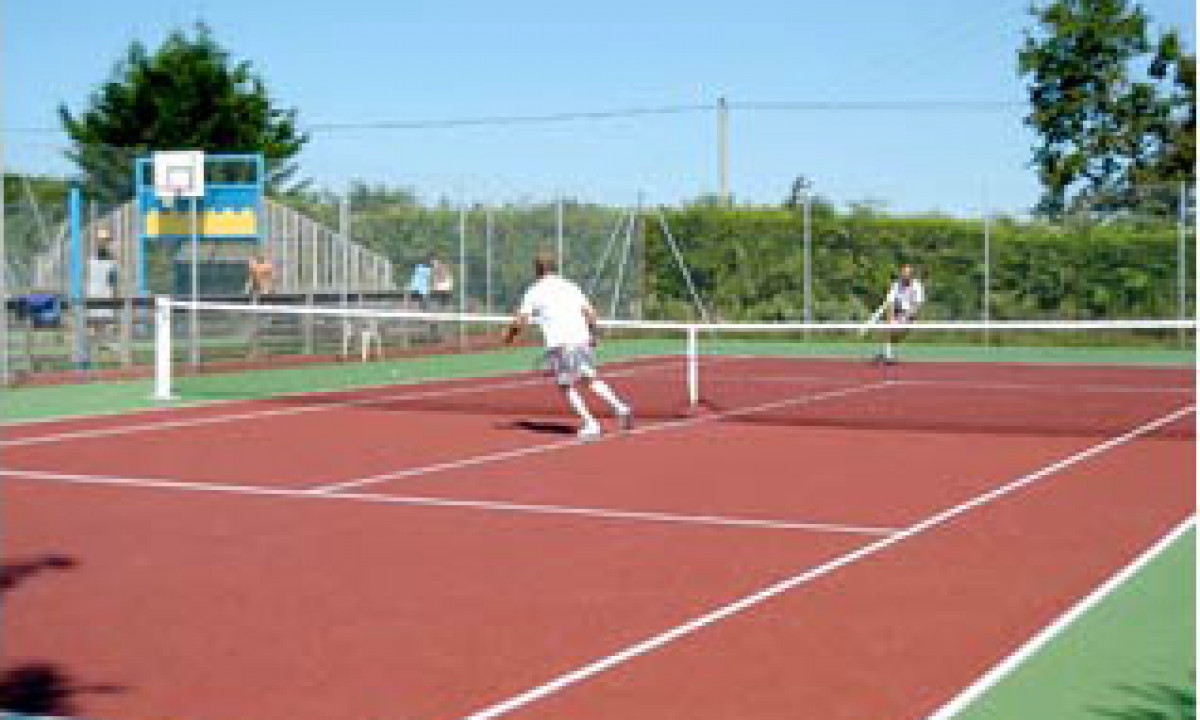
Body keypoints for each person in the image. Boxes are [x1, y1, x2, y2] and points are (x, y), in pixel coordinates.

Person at [504, 251, 634, 440]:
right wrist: (593, 334)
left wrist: (509, 336)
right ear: (554, 267)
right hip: (581, 340)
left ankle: (591, 424)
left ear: (537, 269)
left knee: (565, 385)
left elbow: (520, 320)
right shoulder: (571, 286)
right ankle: (621, 408)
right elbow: (590, 313)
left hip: (561, 344)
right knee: (590, 379)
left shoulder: (534, 291)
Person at [874, 263, 925, 364]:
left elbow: (917, 306)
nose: (904, 276)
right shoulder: (896, 284)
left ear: (911, 275)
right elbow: (890, 302)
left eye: (907, 274)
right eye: (903, 273)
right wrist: (891, 319)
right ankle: (887, 355)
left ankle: (885, 353)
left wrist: (907, 317)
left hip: (909, 314)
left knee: (898, 337)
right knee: (888, 329)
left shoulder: (917, 286)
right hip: (897, 311)